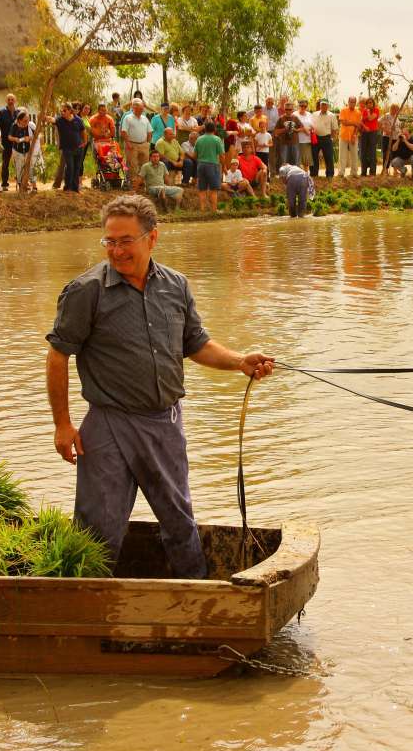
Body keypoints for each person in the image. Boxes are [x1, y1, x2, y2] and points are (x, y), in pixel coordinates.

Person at [44, 196, 274, 578]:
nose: (117, 251)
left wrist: (238, 362)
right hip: (108, 424)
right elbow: (57, 356)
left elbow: (195, 344)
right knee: (98, 527)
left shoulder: (175, 286)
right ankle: (86, 613)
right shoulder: (86, 291)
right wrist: (62, 424)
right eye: (109, 242)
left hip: (165, 423)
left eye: (126, 241)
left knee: (180, 521)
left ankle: (198, 602)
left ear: (152, 238)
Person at [193, 122, 225, 211]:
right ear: (214, 129)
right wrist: (224, 166)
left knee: (202, 189)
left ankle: (202, 210)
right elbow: (222, 155)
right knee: (213, 189)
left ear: (205, 129)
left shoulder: (199, 139)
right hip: (213, 165)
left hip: (201, 165)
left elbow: (194, 155)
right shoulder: (217, 139)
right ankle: (214, 210)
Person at [119, 98, 152, 183]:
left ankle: (142, 182)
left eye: (142, 109)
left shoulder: (145, 118)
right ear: (134, 108)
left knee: (144, 165)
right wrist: (128, 143)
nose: (141, 110)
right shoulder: (128, 118)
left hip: (143, 144)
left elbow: (149, 131)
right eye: (140, 108)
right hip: (131, 144)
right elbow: (123, 132)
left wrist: (148, 143)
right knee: (132, 165)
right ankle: (131, 182)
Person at [55, 103, 86, 193]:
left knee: (77, 168)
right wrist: (44, 116)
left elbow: (83, 131)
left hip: (78, 149)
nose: (62, 112)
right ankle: (67, 187)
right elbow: (52, 120)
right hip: (67, 149)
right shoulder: (60, 120)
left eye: (64, 110)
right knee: (70, 167)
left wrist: (84, 142)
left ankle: (75, 188)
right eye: (61, 110)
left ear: (70, 111)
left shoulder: (78, 120)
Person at [310, 99, 338, 178]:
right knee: (314, 156)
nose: (323, 106)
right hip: (315, 138)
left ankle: (329, 175)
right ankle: (314, 174)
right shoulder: (314, 114)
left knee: (328, 157)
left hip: (326, 138)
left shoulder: (332, 115)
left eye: (325, 105)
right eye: (322, 104)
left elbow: (335, 129)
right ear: (320, 105)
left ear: (328, 106)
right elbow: (311, 126)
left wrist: (332, 138)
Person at [360, 99, 382, 176]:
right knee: (363, 152)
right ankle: (363, 171)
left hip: (373, 132)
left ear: (373, 103)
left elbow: (370, 118)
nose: (369, 104)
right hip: (364, 133)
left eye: (371, 103)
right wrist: (365, 126)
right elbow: (361, 121)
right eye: (368, 103)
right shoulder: (364, 111)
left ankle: (372, 172)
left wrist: (368, 111)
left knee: (372, 152)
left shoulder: (376, 110)